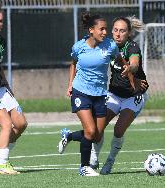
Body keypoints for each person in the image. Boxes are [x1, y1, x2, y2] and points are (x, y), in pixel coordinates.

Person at [58, 16, 148, 175]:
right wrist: (71, 84)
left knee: (118, 130)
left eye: (122, 31)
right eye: (115, 30)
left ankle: (110, 162)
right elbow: (74, 62)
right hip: (112, 93)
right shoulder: (106, 45)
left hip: (132, 96)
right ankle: (91, 159)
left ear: (129, 33)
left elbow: (133, 63)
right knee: (95, 131)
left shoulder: (131, 47)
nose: (117, 34)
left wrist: (131, 71)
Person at [0, 3, 28, 175]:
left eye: (0, 20)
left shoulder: (0, 41)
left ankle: (1, 150)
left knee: (21, 124)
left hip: (0, 88)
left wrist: (6, 85)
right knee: (6, 124)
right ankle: (2, 165)